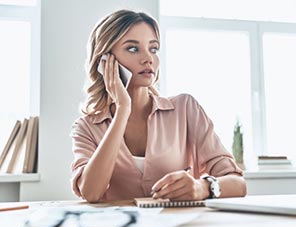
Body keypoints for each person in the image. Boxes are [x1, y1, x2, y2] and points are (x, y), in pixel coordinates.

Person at [70, 9, 247, 203]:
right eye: (133, 48)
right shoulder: (86, 127)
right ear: (105, 62)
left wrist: (202, 187)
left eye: (153, 49)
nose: (149, 59)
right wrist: (123, 109)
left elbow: (238, 184)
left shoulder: (185, 108)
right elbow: (91, 193)